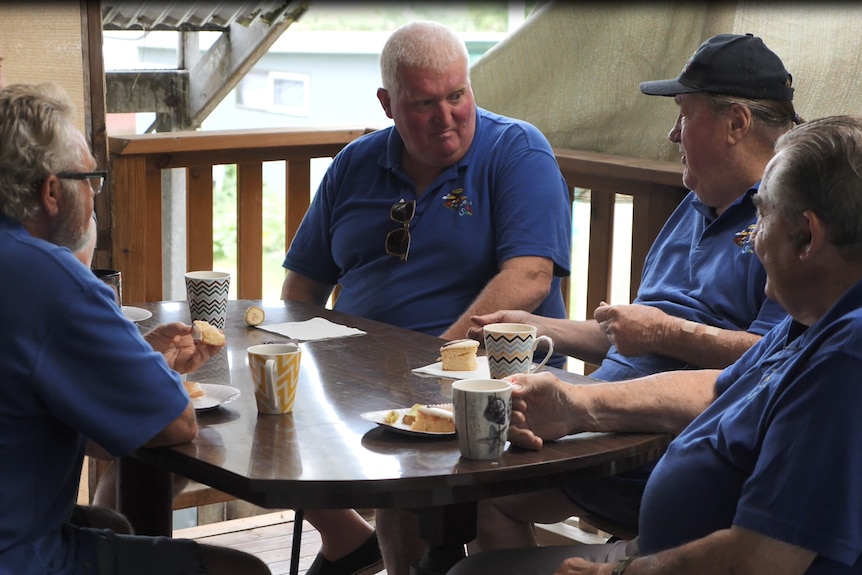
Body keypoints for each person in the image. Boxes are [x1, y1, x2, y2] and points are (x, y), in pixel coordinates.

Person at [448, 114, 862, 575]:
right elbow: (718, 389)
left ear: (807, 237)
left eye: (762, 216)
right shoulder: (815, 317)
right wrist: (579, 405)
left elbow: (761, 560)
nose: (753, 239)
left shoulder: (847, 357)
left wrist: (620, 572)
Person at [280, 20, 573, 575]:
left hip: (485, 376)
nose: (446, 117)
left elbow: (532, 275)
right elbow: (302, 287)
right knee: (273, 407)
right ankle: (348, 538)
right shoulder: (356, 164)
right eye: (424, 103)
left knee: (407, 468)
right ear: (388, 103)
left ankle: (380, 554)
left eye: (457, 95)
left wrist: (436, 360)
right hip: (362, 376)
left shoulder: (516, 151)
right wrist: (316, 360)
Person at [0, 83, 271, 575]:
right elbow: (173, 424)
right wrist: (154, 377)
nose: (96, 195)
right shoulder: (50, 278)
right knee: (244, 572)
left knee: (114, 526)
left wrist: (137, 363)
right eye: (91, 180)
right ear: (52, 192)